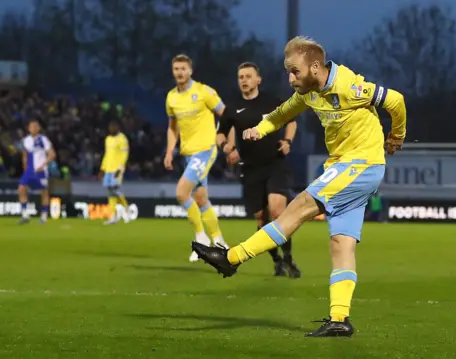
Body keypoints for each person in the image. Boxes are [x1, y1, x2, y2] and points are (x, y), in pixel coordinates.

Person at [192, 36, 407, 337]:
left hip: (360, 164)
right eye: (287, 71)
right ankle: (339, 319)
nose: (290, 78)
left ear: (316, 67)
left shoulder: (347, 86)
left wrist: (396, 136)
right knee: (341, 243)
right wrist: (259, 129)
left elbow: (395, 100)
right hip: (350, 166)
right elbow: (281, 114)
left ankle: (231, 258)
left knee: (298, 207)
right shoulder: (309, 92)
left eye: (295, 71)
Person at [217, 62, 301, 278]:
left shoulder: (272, 101)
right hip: (250, 169)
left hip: (275, 163)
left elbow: (291, 121)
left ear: (258, 80)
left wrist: (287, 141)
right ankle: (277, 261)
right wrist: (227, 147)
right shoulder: (232, 107)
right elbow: (221, 133)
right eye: (240, 77)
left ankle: (289, 258)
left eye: (248, 76)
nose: (243, 80)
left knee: (277, 211)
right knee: (261, 221)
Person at [164, 54, 229, 262]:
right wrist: (169, 151)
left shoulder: (204, 92)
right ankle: (219, 241)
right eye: (176, 69)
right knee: (201, 199)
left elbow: (226, 115)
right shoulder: (171, 98)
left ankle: (201, 240)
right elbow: (172, 127)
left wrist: (225, 139)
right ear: (173, 72)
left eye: (183, 68)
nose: (180, 72)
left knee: (182, 193)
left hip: (205, 150)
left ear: (190, 71)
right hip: (187, 153)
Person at [18, 119, 56, 224]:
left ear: (38, 128)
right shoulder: (25, 140)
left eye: (35, 126)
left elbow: (52, 154)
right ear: (28, 128)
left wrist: (44, 164)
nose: (33, 128)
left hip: (41, 171)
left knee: (43, 192)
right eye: (31, 126)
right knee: (21, 188)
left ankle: (43, 217)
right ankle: (25, 215)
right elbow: (24, 155)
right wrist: (25, 169)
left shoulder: (44, 140)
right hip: (29, 171)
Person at [99, 120, 131, 225]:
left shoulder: (122, 139)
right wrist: (102, 169)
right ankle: (113, 216)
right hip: (108, 169)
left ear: (118, 128)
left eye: (113, 127)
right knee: (110, 192)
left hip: (117, 169)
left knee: (114, 190)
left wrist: (120, 169)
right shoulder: (107, 139)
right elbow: (106, 155)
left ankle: (127, 209)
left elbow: (124, 155)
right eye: (110, 127)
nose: (111, 129)